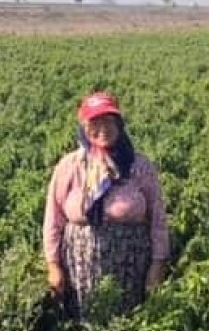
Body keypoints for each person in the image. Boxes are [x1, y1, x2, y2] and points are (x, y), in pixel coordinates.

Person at [43, 91, 170, 318]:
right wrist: (54, 266)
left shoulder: (138, 166)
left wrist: (157, 266)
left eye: (109, 121)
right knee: (84, 327)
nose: (103, 128)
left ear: (119, 124)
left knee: (128, 324)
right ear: (83, 126)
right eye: (95, 121)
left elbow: (158, 220)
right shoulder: (71, 166)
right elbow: (54, 219)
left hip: (131, 267)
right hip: (80, 269)